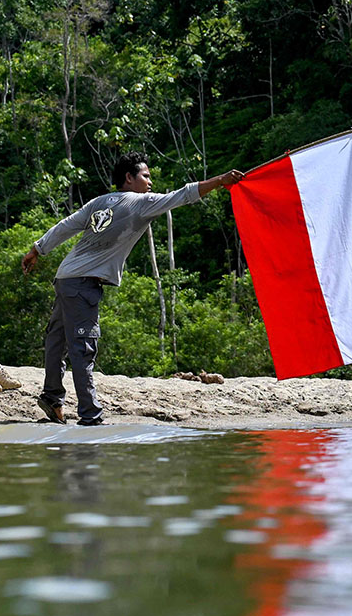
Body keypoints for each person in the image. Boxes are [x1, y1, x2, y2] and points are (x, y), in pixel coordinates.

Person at [20, 153, 244, 426]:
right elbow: (183, 195)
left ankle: (52, 398)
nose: (150, 182)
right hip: (83, 285)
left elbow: (66, 226)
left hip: (65, 277)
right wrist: (221, 180)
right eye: (145, 176)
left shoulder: (98, 203)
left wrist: (37, 249)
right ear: (129, 178)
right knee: (83, 347)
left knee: (57, 341)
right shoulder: (140, 203)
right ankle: (90, 416)